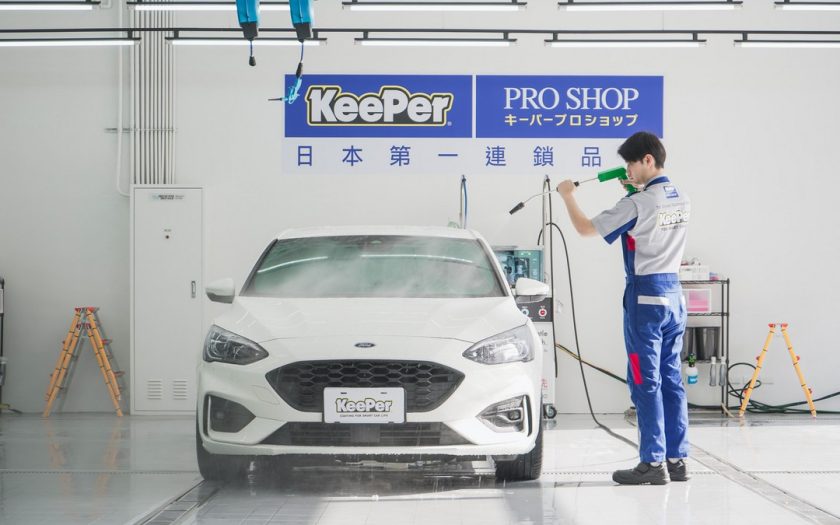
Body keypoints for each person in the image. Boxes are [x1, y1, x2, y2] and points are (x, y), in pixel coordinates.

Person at [556, 131, 691, 485]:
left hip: (645, 298)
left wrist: (568, 196)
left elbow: (586, 229)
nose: (627, 170)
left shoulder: (638, 204)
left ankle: (652, 463)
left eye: (630, 163)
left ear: (648, 160)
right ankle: (677, 460)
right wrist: (633, 191)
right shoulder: (680, 197)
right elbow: (650, 224)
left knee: (644, 380)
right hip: (675, 297)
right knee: (671, 380)